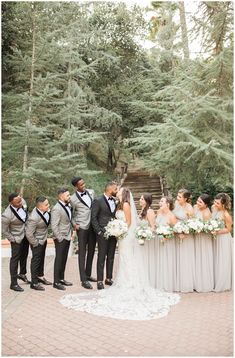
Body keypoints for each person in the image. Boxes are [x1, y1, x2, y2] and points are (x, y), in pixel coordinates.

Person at [60, 187, 180, 321]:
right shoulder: (119, 204)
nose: (117, 191)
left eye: (119, 190)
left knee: (127, 258)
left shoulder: (127, 204)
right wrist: (117, 229)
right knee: (123, 259)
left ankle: (131, 283)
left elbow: (129, 223)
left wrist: (120, 231)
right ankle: (125, 281)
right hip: (121, 236)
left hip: (126, 236)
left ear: (124, 194)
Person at [70, 177, 96, 289]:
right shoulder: (72, 199)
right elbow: (70, 214)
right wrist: (75, 224)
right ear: (76, 186)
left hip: (93, 225)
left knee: (91, 250)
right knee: (82, 253)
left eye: (83, 183)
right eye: (81, 184)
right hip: (82, 227)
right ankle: (83, 279)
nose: (83, 185)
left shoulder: (91, 192)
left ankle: (88, 274)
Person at [91, 181, 118, 290]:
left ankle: (108, 278)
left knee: (111, 256)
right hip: (102, 233)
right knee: (101, 257)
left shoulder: (116, 201)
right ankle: (99, 280)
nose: (116, 191)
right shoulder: (98, 200)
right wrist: (99, 232)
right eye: (115, 189)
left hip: (114, 233)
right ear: (110, 189)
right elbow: (93, 217)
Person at [2, 193, 30, 292]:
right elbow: (4, 231)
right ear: (11, 203)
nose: (20, 204)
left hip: (26, 236)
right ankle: (13, 283)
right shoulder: (6, 215)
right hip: (16, 239)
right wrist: (13, 239)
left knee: (24, 255)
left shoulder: (23, 202)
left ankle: (22, 274)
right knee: (15, 259)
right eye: (17, 203)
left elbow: (26, 215)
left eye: (20, 201)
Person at [26, 196, 52, 291]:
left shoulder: (46, 211)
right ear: (40, 207)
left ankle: (40, 277)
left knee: (41, 259)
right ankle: (34, 283)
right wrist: (35, 243)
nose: (48, 205)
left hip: (43, 239)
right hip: (37, 242)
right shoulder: (33, 218)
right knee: (36, 261)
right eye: (46, 205)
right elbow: (29, 233)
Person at [173, 188, 195, 293]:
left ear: (185, 199)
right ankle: (178, 281)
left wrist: (183, 231)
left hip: (186, 236)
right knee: (178, 258)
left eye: (179, 197)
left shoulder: (189, 208)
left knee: (185, 258)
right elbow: (173, 216)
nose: (177, 198)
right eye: (177, 196)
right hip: (177, 234)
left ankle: (186, 283)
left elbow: (192, 224)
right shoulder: (176, 204)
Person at [51, 188, 73, 290]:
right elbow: (54, 226)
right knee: (59, 259)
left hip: (67, 236)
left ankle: (61, 279)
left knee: (63, 259)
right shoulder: (56, 208)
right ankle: (56, 282)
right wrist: (60, 238)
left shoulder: (68, 205)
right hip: (61, 237)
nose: (69, 197)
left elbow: (68, 221)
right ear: (61, 196)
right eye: (67, 195)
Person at [212, 193, 233, 292]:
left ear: (223, 204)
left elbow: (228, 229)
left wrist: (216, 231)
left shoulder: (226, 215)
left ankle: (223, 284)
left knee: (223, 260)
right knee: (216, 259)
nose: (215, 204)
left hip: (224, 239)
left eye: (217, 203)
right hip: (216, 238)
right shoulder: (214, 209)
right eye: (215, 202)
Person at [156, 196, 177, 292]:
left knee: (166, 261)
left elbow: (175, 231)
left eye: (162, 201)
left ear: (167, 204)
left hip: (167, 242)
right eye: (160, 201)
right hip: (158, 241)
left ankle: (167, 283)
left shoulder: (171, 216)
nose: (159, 203)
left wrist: (166, 236)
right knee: (159, 261)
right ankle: (159, 281)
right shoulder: (159, 212)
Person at [193, 194, 214, 292]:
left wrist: (198, 228)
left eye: (200, 202)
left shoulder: (206, 213)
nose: (197, 203)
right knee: (197, 258)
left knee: (204, 258)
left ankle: (205, 283)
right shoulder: (195, 208)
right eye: (197, 201)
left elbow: (208, 229)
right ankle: (197, 281)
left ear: (206, 205)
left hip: (204, 238)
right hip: (196, 237)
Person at [139, 193, 156, 287]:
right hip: (142, 239)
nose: (140, 200)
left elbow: (153, 227)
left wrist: (145, 234)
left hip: (147, 239)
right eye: (140, 199)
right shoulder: (142, 210)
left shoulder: (150, 211)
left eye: (142, 199)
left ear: (147, 201)